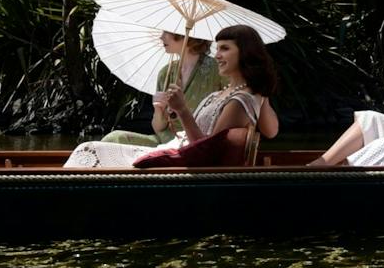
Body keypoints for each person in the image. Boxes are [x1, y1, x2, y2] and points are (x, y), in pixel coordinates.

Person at [64, 24, 278, 169]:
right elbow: (271, 131)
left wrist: (183, 110)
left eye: (225, 49)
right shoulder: (224, 94)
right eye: (217, 48)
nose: (217, 55)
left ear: (245, 52)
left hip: (185, 161)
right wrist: (163, 109)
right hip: (176, 148)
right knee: (94, 147)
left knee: (89, 149)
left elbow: (206, 153)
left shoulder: (239, 101)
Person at [100, 31, 219, 147]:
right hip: (167, 140)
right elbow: (159, 128)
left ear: (184, 35)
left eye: (167, 32)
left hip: (198, 142)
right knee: (114, 139)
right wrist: (159, 109)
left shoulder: (217, 70)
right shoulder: (166, 72)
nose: (161, 37)